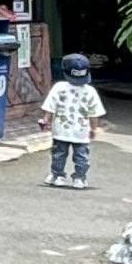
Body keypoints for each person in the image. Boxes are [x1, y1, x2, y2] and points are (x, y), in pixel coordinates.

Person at [42, 53, 106, 189]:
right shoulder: (90, 91)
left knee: (59, 154)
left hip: (61, 129)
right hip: (82, 131)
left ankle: (58, 176)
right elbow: (94, 114)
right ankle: (80, 179)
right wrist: (94, 128)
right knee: (81, 156)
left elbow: (50, 107)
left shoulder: (58, 87)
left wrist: (45, 120)